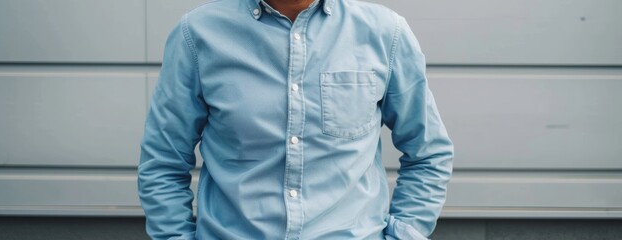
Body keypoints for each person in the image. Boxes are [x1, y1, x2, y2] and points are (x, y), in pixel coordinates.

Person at [138, 0, 454, 239]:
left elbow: (428, 153)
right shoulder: (198, 34)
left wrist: (405, 234)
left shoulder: (385, 33)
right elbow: (163, 161)